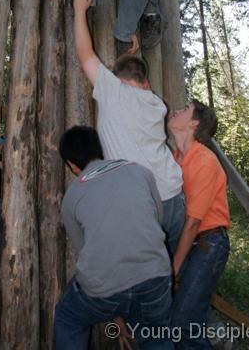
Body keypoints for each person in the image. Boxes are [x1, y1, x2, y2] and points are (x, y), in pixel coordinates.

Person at [73, 0, 185, 255]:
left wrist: (79, 11)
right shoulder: (156, 104)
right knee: (166, 270)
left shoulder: (113, 94)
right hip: (174, 198)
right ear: (146, 83)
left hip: (143, 205)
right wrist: (130, 56)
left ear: (117, 79)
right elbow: (126, 79)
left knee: (144, 276)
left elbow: (85, 54)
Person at [55, 125, 174, 349]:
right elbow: (156, 222)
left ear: (71, 165)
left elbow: (87, 253)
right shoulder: (140, 172)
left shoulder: (72, 197)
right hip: (155, 277)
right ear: (99, 149)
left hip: (103, 289)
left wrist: (114, 307)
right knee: (156, 337)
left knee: (68, 318)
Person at [168, 100, 230, 349]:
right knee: (189, 316)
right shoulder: (174, 159)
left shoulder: (204, 160)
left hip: (209, 244)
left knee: (182, 326)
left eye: (183, 110)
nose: (175, 110)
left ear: (194, 123)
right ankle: (218, 339)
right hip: (191, 245)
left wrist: (174, 268)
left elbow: (193, 222)